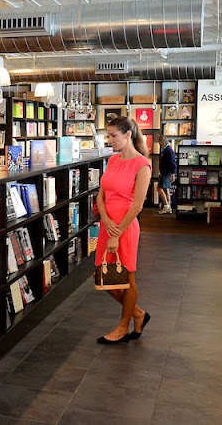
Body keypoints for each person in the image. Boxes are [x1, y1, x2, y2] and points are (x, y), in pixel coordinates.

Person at [95, 116, 152, 344]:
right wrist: (105, 219)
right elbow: (101, 195)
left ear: (128, 135)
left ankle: (123, 326)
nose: (110, 140)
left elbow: (137, 205)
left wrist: (116, 233)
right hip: (107, 224)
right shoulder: (113, 160)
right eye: (108, 135)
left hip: (124, 227)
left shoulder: (142, 165)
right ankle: (137, 313)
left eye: (113, 136)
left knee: (127, 276)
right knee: (103, 276)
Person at [157, 135, 176, 214]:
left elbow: (172, 163)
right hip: (166, 172)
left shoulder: (168, 150)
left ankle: (166, 206)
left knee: (159, 188)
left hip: (166, 173)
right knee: (166, 189)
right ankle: (169, 206)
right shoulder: (167, 149)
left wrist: (173, 173)